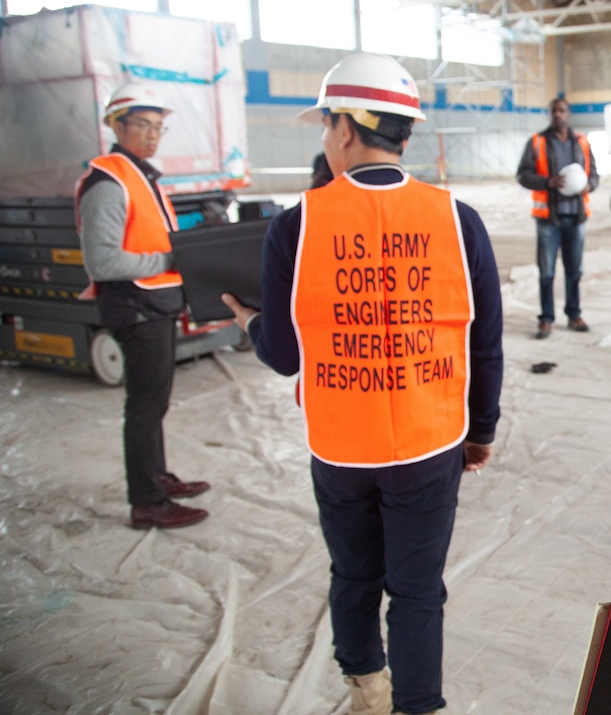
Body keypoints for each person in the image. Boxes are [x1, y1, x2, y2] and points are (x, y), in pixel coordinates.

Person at [221, 53, 503, 715]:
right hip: (432, 441)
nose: (325, 139)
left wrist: (252, 322)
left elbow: (287, 355)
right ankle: (418, 705)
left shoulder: (298, 223)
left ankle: (367, 691)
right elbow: (482, 341)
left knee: (353, 573)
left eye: (325, 126)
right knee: (417, 589)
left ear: (345, 128)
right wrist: (480, 427)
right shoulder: (458, 220)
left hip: (341, 447)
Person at [76, 83, 210, 530]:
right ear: (116, 126)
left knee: (155, 402)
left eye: (159, 128)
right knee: (145, 406)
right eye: (142, 125)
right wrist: (172, 259)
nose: (153, 136)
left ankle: (156, 476)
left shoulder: (140, 175)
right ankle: (147, 501)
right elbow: (103, 259)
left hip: (154, 303)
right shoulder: (109, 182)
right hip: (136, 306)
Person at [516, 97, 599, 339]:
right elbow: (523, 175)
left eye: (562, 111)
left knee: (574, 271)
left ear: (568, 114)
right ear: (549, 114)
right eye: (553, 111)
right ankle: (546, 319)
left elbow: (593, 173)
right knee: (547, 272)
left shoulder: (581, 142)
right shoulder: (537, 141)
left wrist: (589, 185)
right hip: (548, 220)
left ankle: (574, 314)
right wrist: (547, 182)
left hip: (576, 216)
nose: (558, 115)